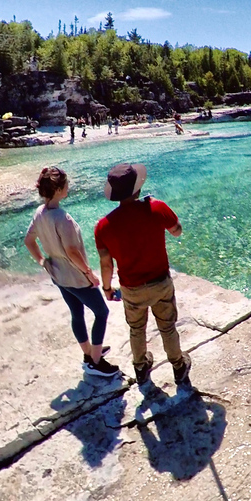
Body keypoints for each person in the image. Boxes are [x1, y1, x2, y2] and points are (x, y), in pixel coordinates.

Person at [94, 163, 191, 388]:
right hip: (160, 282)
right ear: (138, 187)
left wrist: (107, 288)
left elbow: (106, 264)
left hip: (131, 288)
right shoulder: (156, 208)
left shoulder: (103, 227)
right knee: (167, 327)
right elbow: (177, 231)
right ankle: (178, 365)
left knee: (137, 328)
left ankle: (141, 366)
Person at [24, 167, 119, 377]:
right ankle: (95, 362)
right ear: (58, 189)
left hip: (58, 275)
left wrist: (42, 260)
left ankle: (89, 353)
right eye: (66, 184)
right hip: (76, 277)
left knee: (77, 313)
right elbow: (72, 251)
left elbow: (29, 241)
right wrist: (89, 273)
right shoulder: (62, 218)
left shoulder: (39, 213)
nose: (69, 186)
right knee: (102, 312)